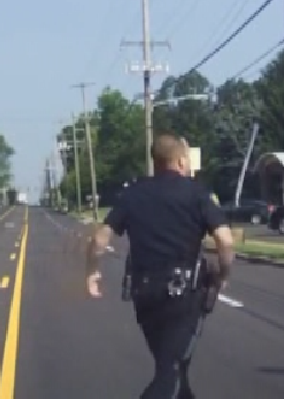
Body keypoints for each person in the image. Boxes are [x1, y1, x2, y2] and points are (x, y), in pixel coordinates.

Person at [85, 134, 235, 399]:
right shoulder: (196, 193)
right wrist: (223, 275)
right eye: (186, 159)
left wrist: (92, 271)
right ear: (179, 160)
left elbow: (99, 238)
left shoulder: (132, 194)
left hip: (144, 297)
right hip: (183, 298)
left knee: (174, 369)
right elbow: (225, 240)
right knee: (171, 372)